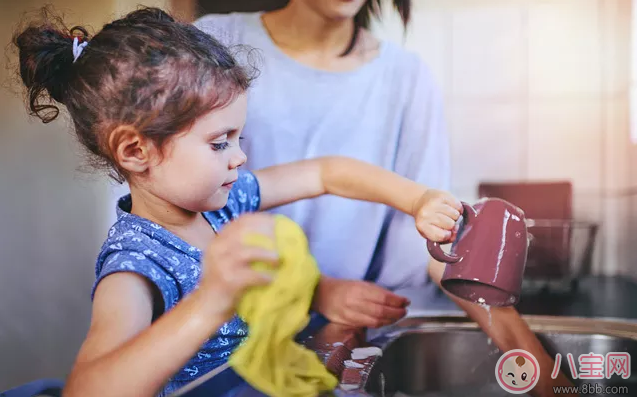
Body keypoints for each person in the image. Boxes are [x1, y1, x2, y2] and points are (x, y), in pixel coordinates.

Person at [12, 7, 464, 397]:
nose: (241, 156)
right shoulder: (135, 264)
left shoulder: (224, 204)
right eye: (219, 143)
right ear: (135, 151)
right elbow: (88, 389)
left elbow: (326, 171)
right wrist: (212, 299)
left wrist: (419, 198)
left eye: (238, 137)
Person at [193, 0, 453, 328]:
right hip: (227, 325)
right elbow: (175, 207)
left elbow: (424, 232)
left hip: (346, 328)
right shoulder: (215, 41)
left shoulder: (408, 76)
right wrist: (314, 290)